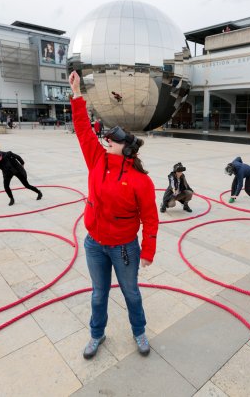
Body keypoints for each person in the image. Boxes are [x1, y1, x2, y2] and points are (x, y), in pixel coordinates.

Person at [68, 71, 159, 359]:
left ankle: (139, 331)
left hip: (123, 248)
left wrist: (148, 251)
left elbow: (151, 219)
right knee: (98, 294)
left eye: (114, 140)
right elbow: (83, 129)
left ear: (127, 150)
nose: (107, 141)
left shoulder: (140, 181)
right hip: (95, 244)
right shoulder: (97, 159)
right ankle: (96, 334)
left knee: (131, 294)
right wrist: (76, 94)